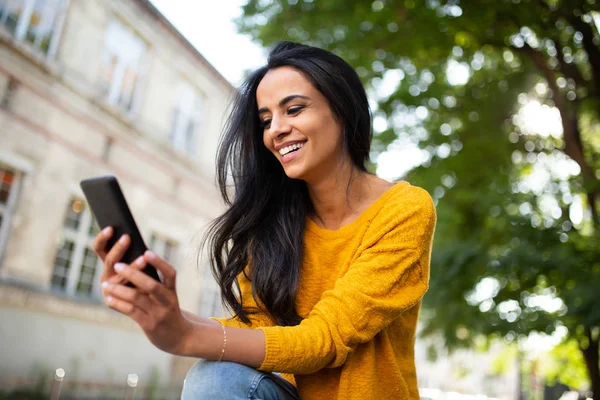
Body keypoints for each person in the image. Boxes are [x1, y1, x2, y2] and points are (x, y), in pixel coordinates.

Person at [93, 41, 436, 400]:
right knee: (216, 377)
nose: (276, 130)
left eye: (294, 109)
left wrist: (185, 335)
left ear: (343, 110)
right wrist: (165, 314)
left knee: (215, 376)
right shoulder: (273, 223)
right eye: (266, 120)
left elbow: (325, 339)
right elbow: (256, 330)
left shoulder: (404, 209)